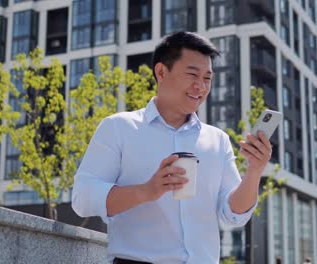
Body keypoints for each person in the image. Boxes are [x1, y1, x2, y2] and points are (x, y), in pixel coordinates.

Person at [72, 31, 272, 264]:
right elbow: (82, 199)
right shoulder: (118, 128)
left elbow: (233, 215)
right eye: (192, 74)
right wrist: (147, 191)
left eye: (207, 78)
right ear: (161, 72)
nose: (201, 86)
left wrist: (255, 172)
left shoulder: (218, 140)